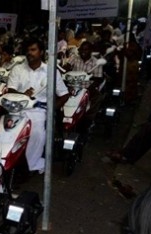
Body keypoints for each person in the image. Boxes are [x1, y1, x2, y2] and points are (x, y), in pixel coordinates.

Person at [7, 38, 70, 174]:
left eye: (33, 50)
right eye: (28, 50)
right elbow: (11, 90)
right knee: (7, 131)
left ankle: (31, 164)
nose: (30, 53)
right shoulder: (17, 69)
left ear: (41, 52)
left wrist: (52, 110)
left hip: (39, 110)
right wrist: (22, 95)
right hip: (18, 108)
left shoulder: (50, 71)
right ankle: (7, 162)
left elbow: (64, 94)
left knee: (36, 132)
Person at [65, 41, 104, 128]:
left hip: (88, 88)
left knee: (98, 98)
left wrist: (87, 90)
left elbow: (98, 80)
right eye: (82, 49)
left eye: (86, 50)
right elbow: (66, 68)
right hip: (73, 87)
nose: (83, 51)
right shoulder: (74, 58)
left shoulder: (96, 63)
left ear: (90, 51)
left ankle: (89, 119)